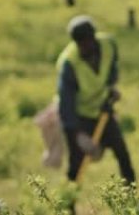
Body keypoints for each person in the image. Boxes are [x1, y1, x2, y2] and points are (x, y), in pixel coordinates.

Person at [57, 15, 135, 185]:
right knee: (76, 164)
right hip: (80, 117)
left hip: (103, 110)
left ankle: (130, 199)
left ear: (93, 37)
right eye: (80, 43)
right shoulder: (69, 64)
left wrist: (111, 88)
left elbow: (111, 69)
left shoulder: (108, 45)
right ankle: (67, 205)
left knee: (122, 152)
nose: (85, 46)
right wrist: (78, 135)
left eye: (87, 41)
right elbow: (66, 105)